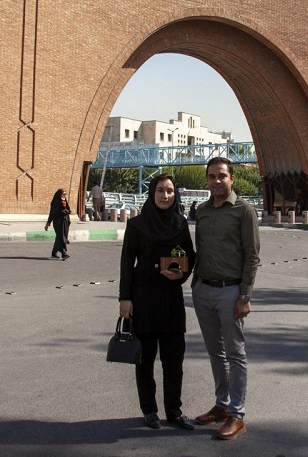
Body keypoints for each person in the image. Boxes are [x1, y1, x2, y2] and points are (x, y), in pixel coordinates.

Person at [118, 173, 197, 431]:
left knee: (174, 359)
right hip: (144, 298)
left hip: (171, 298)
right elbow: (127, 263)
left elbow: (189, 256)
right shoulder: (137, 225)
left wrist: (181, 274)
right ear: (152, 193)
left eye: (170, 191)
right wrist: (125, 298)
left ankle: (174, 410)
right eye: (161, 190)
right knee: (145, 359)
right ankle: (149, 410)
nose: (165, 196)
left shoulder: (180, 224)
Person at [192, 157, 260, 441]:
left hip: (231, 292)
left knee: (235, 354)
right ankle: (221, 405)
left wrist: (245, 295)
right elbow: (199, 249)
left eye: (222, 176)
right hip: (203, 290)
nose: (217, 181)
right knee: (215, 352)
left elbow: (252, 256)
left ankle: (237, 414)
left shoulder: (244, 210)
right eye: (212, 176)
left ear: (232, 178)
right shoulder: (202, 211)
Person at [45, 188, 71, 259]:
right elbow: (52, 213)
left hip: (65, 222)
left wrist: (67, 211)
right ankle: (63, 253)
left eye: (64, 195)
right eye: (62, 195)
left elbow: (68, 209)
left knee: (59, 237)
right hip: (58, 222)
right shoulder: (55, 202)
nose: (64, 196)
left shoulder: (64, 201)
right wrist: (48, 223)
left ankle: (54, 253)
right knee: (61, 237)